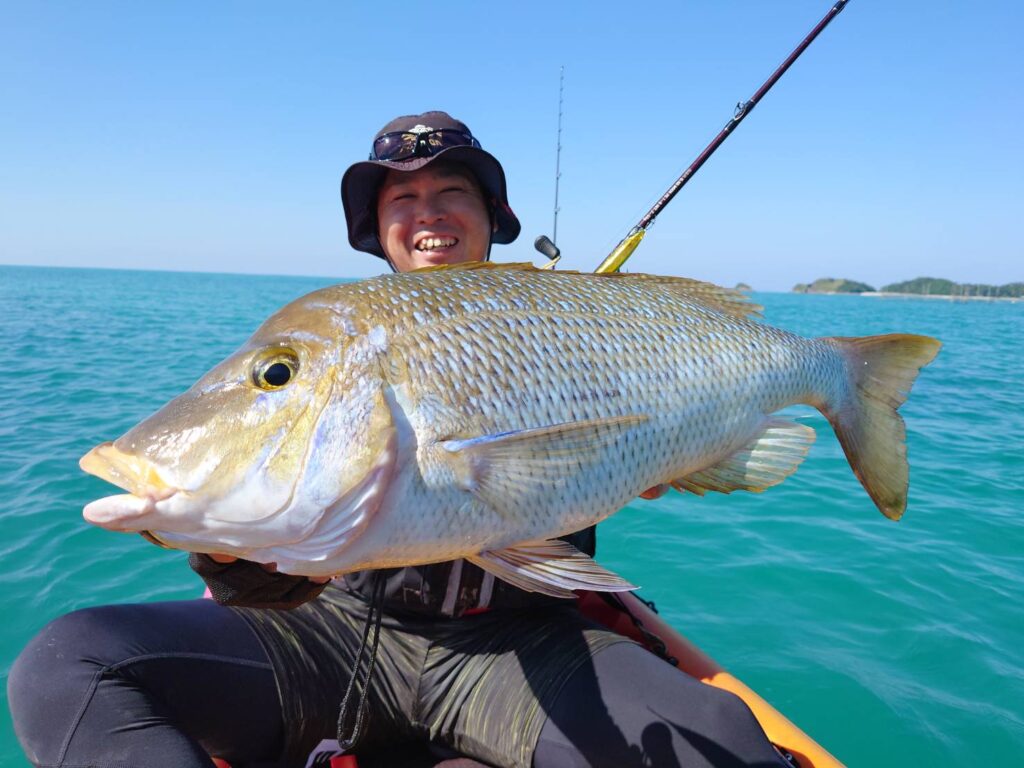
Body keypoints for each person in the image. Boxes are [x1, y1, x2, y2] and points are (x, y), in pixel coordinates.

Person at [9, 111, 789, 768]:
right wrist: (223, 552)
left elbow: (640, 440)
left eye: (452, 190)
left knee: (730, 744)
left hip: (518, 643)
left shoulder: (574, 319)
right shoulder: (335, 332)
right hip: (337, 635)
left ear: (492, 219)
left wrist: (679, 450)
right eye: (402, 197)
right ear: (376, 229)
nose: (428, 212)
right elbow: (279, 565)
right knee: (66, 664)